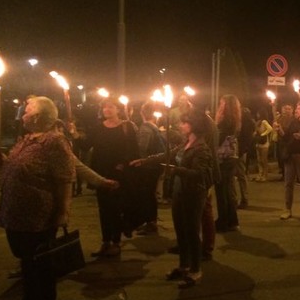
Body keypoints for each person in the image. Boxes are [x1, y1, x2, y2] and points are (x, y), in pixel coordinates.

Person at [0, 96, 75, 300]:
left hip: (38, 217)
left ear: (39, 117)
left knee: (39, 265)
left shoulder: (54, 143)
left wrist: (63, 211)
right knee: (28, 264)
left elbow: (65, 179)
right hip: (16, 214)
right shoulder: (26, 140)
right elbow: (12, 166)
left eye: (27, 111)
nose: (22, 115)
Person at [132, 108, 213, 288]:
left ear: (194, 126)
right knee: (181, 231)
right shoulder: (185, 143)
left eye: (185, 122)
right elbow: (166, 155)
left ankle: (196, 269)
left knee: (192, 232)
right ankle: (184, 265)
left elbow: (199, 174)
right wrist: (145, 161)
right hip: (179, 192)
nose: (181, 125)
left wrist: (176, 170)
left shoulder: (201, 149)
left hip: (193, 193)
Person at [89, 98, 140, 257]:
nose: (107, 110)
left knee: (116, 208)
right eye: (104, 107)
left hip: (119, 174)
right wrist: (73, 134)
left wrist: (122, 165)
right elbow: (86, 145)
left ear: (118, 109)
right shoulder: (98, 128)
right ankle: (105, 241)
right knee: (103, 209)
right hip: (100, 173)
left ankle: (116, 242)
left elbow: (133, 151)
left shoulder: (126, 127)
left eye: (110, 107)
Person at [135, 101, 166, 235]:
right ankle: (150, 221)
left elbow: (142, 148)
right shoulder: (155, 127)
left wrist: (138, 160)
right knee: (150, 194)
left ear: (142, 113)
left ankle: (150, 223)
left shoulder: (146, 128)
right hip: (155, 165)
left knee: (147, 194)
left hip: (148, 166)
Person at [214, 94, 242, 232]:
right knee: (229, 190)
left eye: (222, 103)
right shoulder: (235, 121)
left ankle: (223, 221)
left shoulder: (224, 122)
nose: (220, 105)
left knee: (222, 191)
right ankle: (232, 220)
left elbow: (217, 140)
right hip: (231, 157)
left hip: (223, 159)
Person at [253, 109, 273, 182]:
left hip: (264, 143)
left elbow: (270, 129)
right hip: (258, 142)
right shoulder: (258, 122)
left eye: (258, 113)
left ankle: (265, 175)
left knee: (263, 160)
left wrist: (262, 134)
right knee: (259, 160)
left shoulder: (264, 121)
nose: (257, 115)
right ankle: (260, 174)